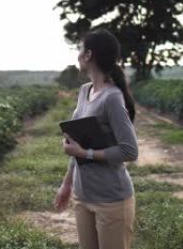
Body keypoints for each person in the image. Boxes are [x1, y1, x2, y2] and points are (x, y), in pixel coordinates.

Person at [53, 29, 138, 249]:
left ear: (88, 55)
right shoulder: (84, 91)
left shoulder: (112, 97)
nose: (78, 54)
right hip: (83, 196)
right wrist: (67, 184)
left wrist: (85, 154)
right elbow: (78, 145)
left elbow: (130, 151)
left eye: (80, 49)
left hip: (111, 200)